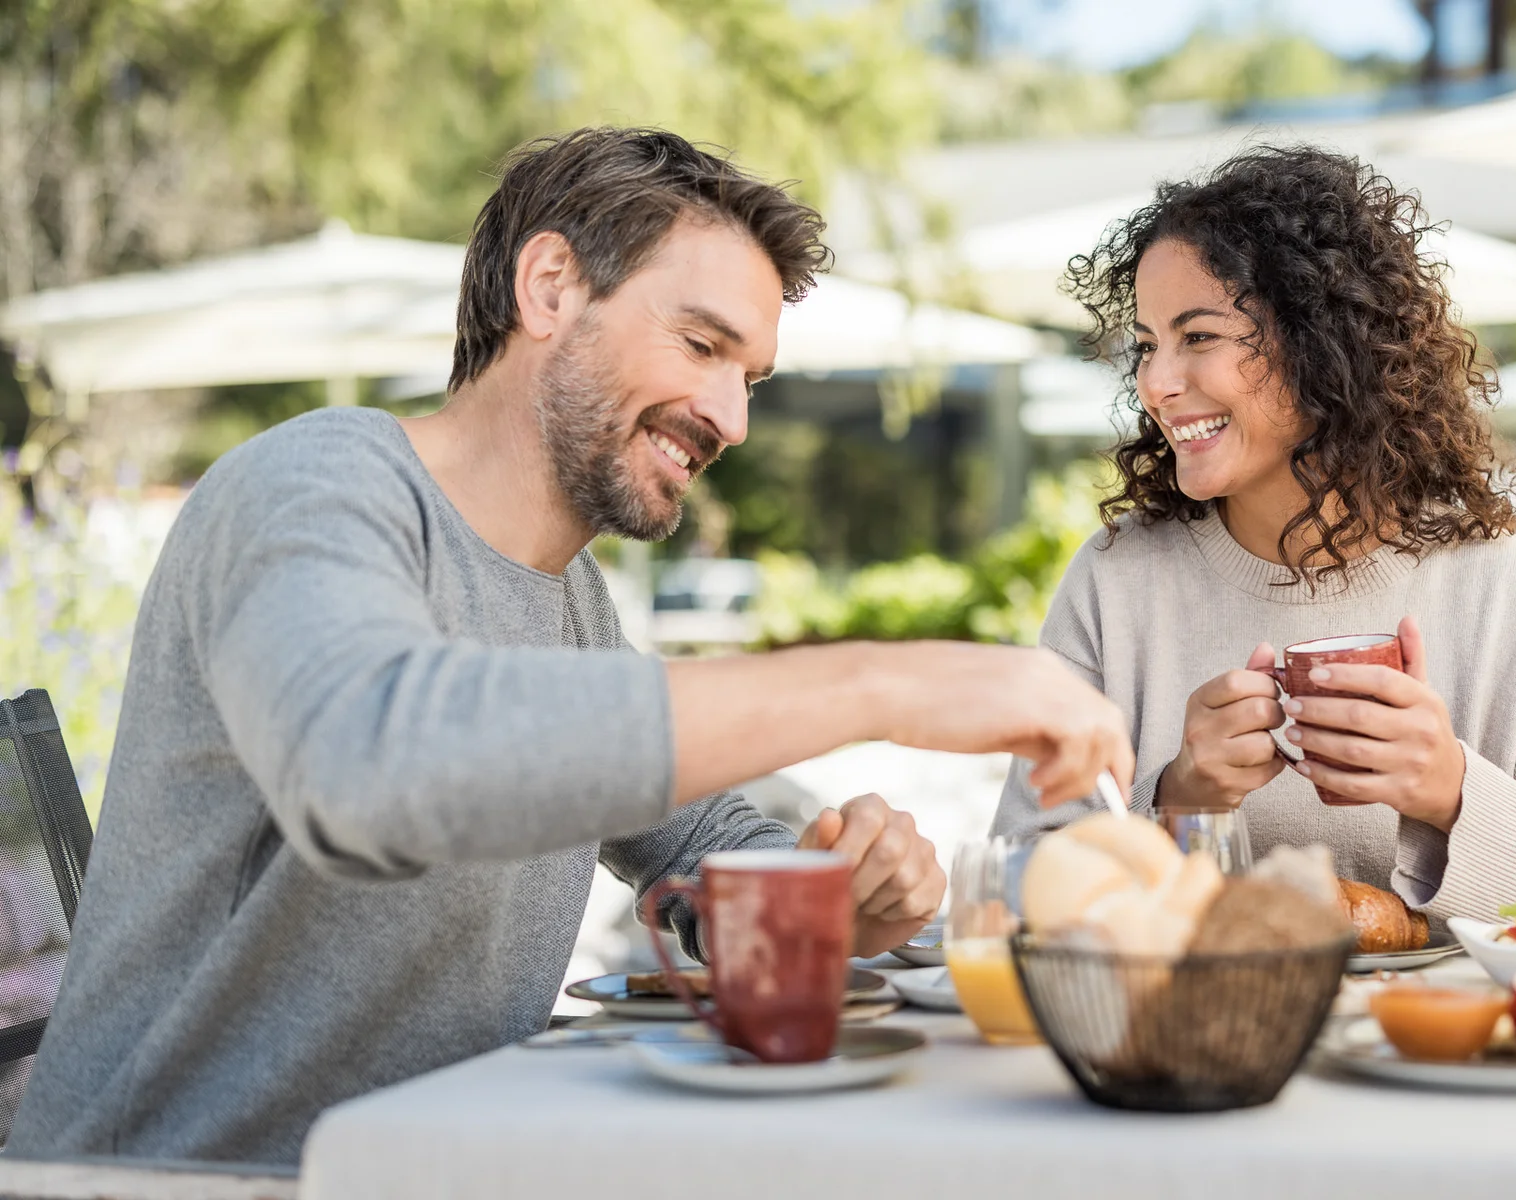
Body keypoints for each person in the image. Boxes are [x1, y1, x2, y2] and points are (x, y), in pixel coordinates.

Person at [12, 127, 1132, 1166]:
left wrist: (831, 890)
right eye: (701, 344)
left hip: (424, 1171)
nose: (731, 419)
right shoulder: (313, 487)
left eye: (749, 378)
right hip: (181, 1180)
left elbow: (702, 836)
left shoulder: (571, 599)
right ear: (549, 287)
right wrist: (887, 677)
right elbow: (373, 761)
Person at [991, 145, 1516, 933]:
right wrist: (1177, 803)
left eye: (1197, 336)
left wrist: (1451, 791)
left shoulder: (1504, 592)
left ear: (1319, 339)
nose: (1155, 382)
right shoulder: (1116, 582)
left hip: (1444, 1052)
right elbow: (1007, 885)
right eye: (1148, 345)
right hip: (1188, 1047)